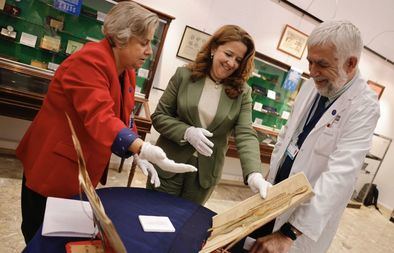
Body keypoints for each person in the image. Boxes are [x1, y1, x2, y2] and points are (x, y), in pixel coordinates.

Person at [16, 2, 196, 244]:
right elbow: (99, 116)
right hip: (53, 167)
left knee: (61, 236)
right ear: (122, 38)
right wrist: (141, 147)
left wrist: (136, 152)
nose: (149, 51)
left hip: (79, 169)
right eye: (144, 43)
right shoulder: (89, 60)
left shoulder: (126, 70)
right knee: (39, 234)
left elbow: (123, 116)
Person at [232, 20, 380, 253]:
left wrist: (288, 233)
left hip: (302, 217)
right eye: (310, 61)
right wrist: (271, 173)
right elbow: (287, 134)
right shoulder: (313, 85)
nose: (312, 72)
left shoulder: (364, 106)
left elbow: (339, 177)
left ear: (350, 63)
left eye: (321, 64)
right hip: (275, 195)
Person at [147, 25, 271, 204]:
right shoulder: (184, 76)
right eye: (228, 54)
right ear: (214, 48)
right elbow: (160, 116)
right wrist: (187, 132)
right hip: (169, 163)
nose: (231, 63)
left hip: (203, 176)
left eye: (238, 60)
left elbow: (245, 133)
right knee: (153, 214)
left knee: (184, 225)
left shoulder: (243, 92)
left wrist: (254, 174)